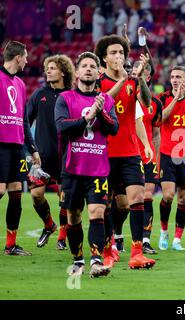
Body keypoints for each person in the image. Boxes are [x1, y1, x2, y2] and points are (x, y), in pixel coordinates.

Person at [55, 51, 118, 277]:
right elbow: (62, 127)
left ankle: (96, 262)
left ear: (98, 72)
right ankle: (78, 260)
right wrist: (87, 117)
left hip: (98, 169)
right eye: (85, 66)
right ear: (78, 72)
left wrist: (100, 113)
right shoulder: (65, 99)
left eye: (93, 66)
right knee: (73, 216)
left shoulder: (107, 100)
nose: (89, 69)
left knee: (97, 212)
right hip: (72, 168)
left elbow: (114, 129)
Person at [95, 35, 155, 269]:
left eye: (121, 53)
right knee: (109, 203)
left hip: (130, 151)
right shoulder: (99, 82)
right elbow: (104, 103)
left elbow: (146, 104)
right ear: (104, 57)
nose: (118, 56)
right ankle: (108, 250)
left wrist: (140, 81)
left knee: (137, 198)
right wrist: (124, 79)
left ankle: (137, 253)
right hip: (105, 152)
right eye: (113, 53)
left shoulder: (133, 81)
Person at [27, 54, 75, 250]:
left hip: (65, 155)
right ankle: (49, 225)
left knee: (65, 197)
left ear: (63, 71)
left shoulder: (71, 95)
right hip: (42, 156)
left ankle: (62, 237)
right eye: (47, 67)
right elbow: (25, 121)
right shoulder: (39, 94)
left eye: (53, 68)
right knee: (36, 195)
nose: (48, 71)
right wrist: (29, 148)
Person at [1, 41, 41, 256]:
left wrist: (32, 148)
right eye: (25, 56)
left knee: (16, 191)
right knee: (0, 190)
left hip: (16, 145)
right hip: (0, 144)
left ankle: (11, 244)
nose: (27, 60)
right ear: (17, 58)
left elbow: (23, 120)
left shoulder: (21, 84)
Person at [157, 66, 185, 251]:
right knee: (167, 196)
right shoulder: (163, 98)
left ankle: (177, 239)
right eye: (173, 77)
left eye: (179, 77)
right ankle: (164, 231)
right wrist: (176, 98)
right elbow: (161, 118)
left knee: (183, 198)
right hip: (167, 152)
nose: (175, 80)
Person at [133, 60, 162, 254]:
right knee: (122, 201)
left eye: (140, 72)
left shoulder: (155, 103)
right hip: (127, 153)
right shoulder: (124, 96)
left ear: (148, 76)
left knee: (147, 195)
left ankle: (145, 239)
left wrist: (157, 160)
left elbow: (156, 134)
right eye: (134, 71)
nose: (135, 75)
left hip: (148, 154)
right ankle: (116, 237)